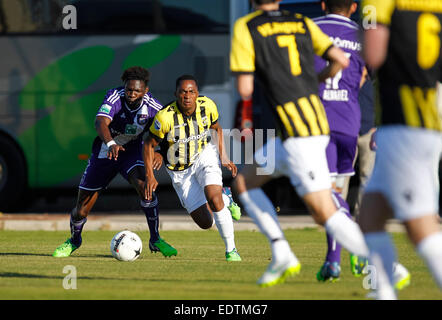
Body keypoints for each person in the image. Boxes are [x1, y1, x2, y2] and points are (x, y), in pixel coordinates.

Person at [230, 0, 370, 288]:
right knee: (244, 182)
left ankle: (381, 264)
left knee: (324, 210)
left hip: (301, 130)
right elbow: (344, 62)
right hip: (328, 122)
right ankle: (282, 252)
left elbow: (245, 88)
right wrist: (315, 80)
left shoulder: (247, 25)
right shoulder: (302, 22)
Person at [359, 0, 442, 299]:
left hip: (404, 119)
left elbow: (373, 52)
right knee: (370, 215)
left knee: (419, 225)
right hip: (428, 112)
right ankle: (383, 292)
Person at [52, 66, 177, 258]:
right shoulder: (114, 96)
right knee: (82, 209)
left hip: (132, 151)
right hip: (106, 150)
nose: (132, 94)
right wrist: (110, 143)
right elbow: (100, 121)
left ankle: (155, 239)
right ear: (124, 87)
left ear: (145, 91)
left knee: (146, 188)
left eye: (137, 91)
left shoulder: (153, 107)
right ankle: (74, 240)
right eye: (129, 90)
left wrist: (160, 152)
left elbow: (166, 132)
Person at [143, 74, 242, 262]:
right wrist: (150, 176)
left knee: (214, 199)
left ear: (197, 94)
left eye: (191, 92)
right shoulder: (165, 117)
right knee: (206, 222)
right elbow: (148, 144)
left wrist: (224, 156)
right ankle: (226, 197)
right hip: (180, 171)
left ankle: (231, 250)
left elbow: (216, 128)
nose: (187, 96)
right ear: (176, 94)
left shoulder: (208, 106)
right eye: (183, 92)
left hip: (204, 155)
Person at [313, 0, 367, 282]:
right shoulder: (362, 35)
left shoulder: (311, 28)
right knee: (336, 194)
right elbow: (364, 76)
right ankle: (332, 261)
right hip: (350, 122)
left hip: (319, 123)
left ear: (323, 4)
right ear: (354, 7)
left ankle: (355, 245)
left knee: (324, 197)